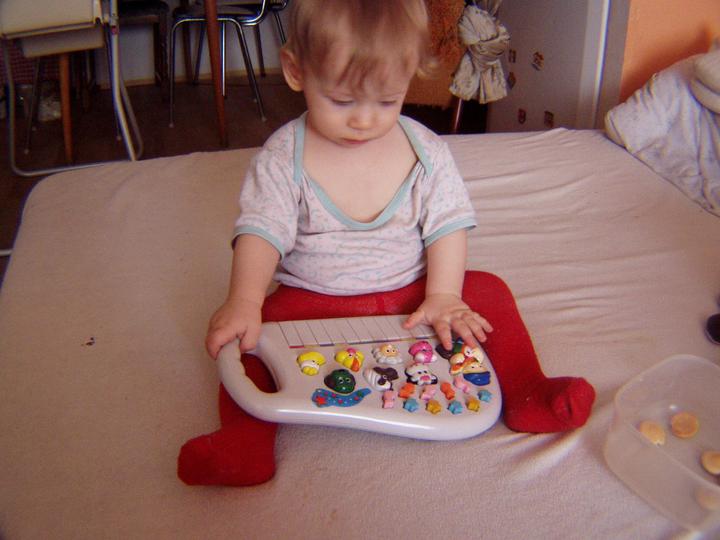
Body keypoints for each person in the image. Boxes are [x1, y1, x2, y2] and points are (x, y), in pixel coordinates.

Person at [178, 0, 596, 487]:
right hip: (315, 299)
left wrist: (444, 295)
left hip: (413, 296)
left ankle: (526, 391)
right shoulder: (281, 159)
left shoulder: (427, 152)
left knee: (488, 291)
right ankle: (245, 442)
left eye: (387, 101)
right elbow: (261, 231)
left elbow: (447, 227)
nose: (364, 120)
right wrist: (245, 301)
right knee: (248, 335)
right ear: (296, 71)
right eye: (342, 100)